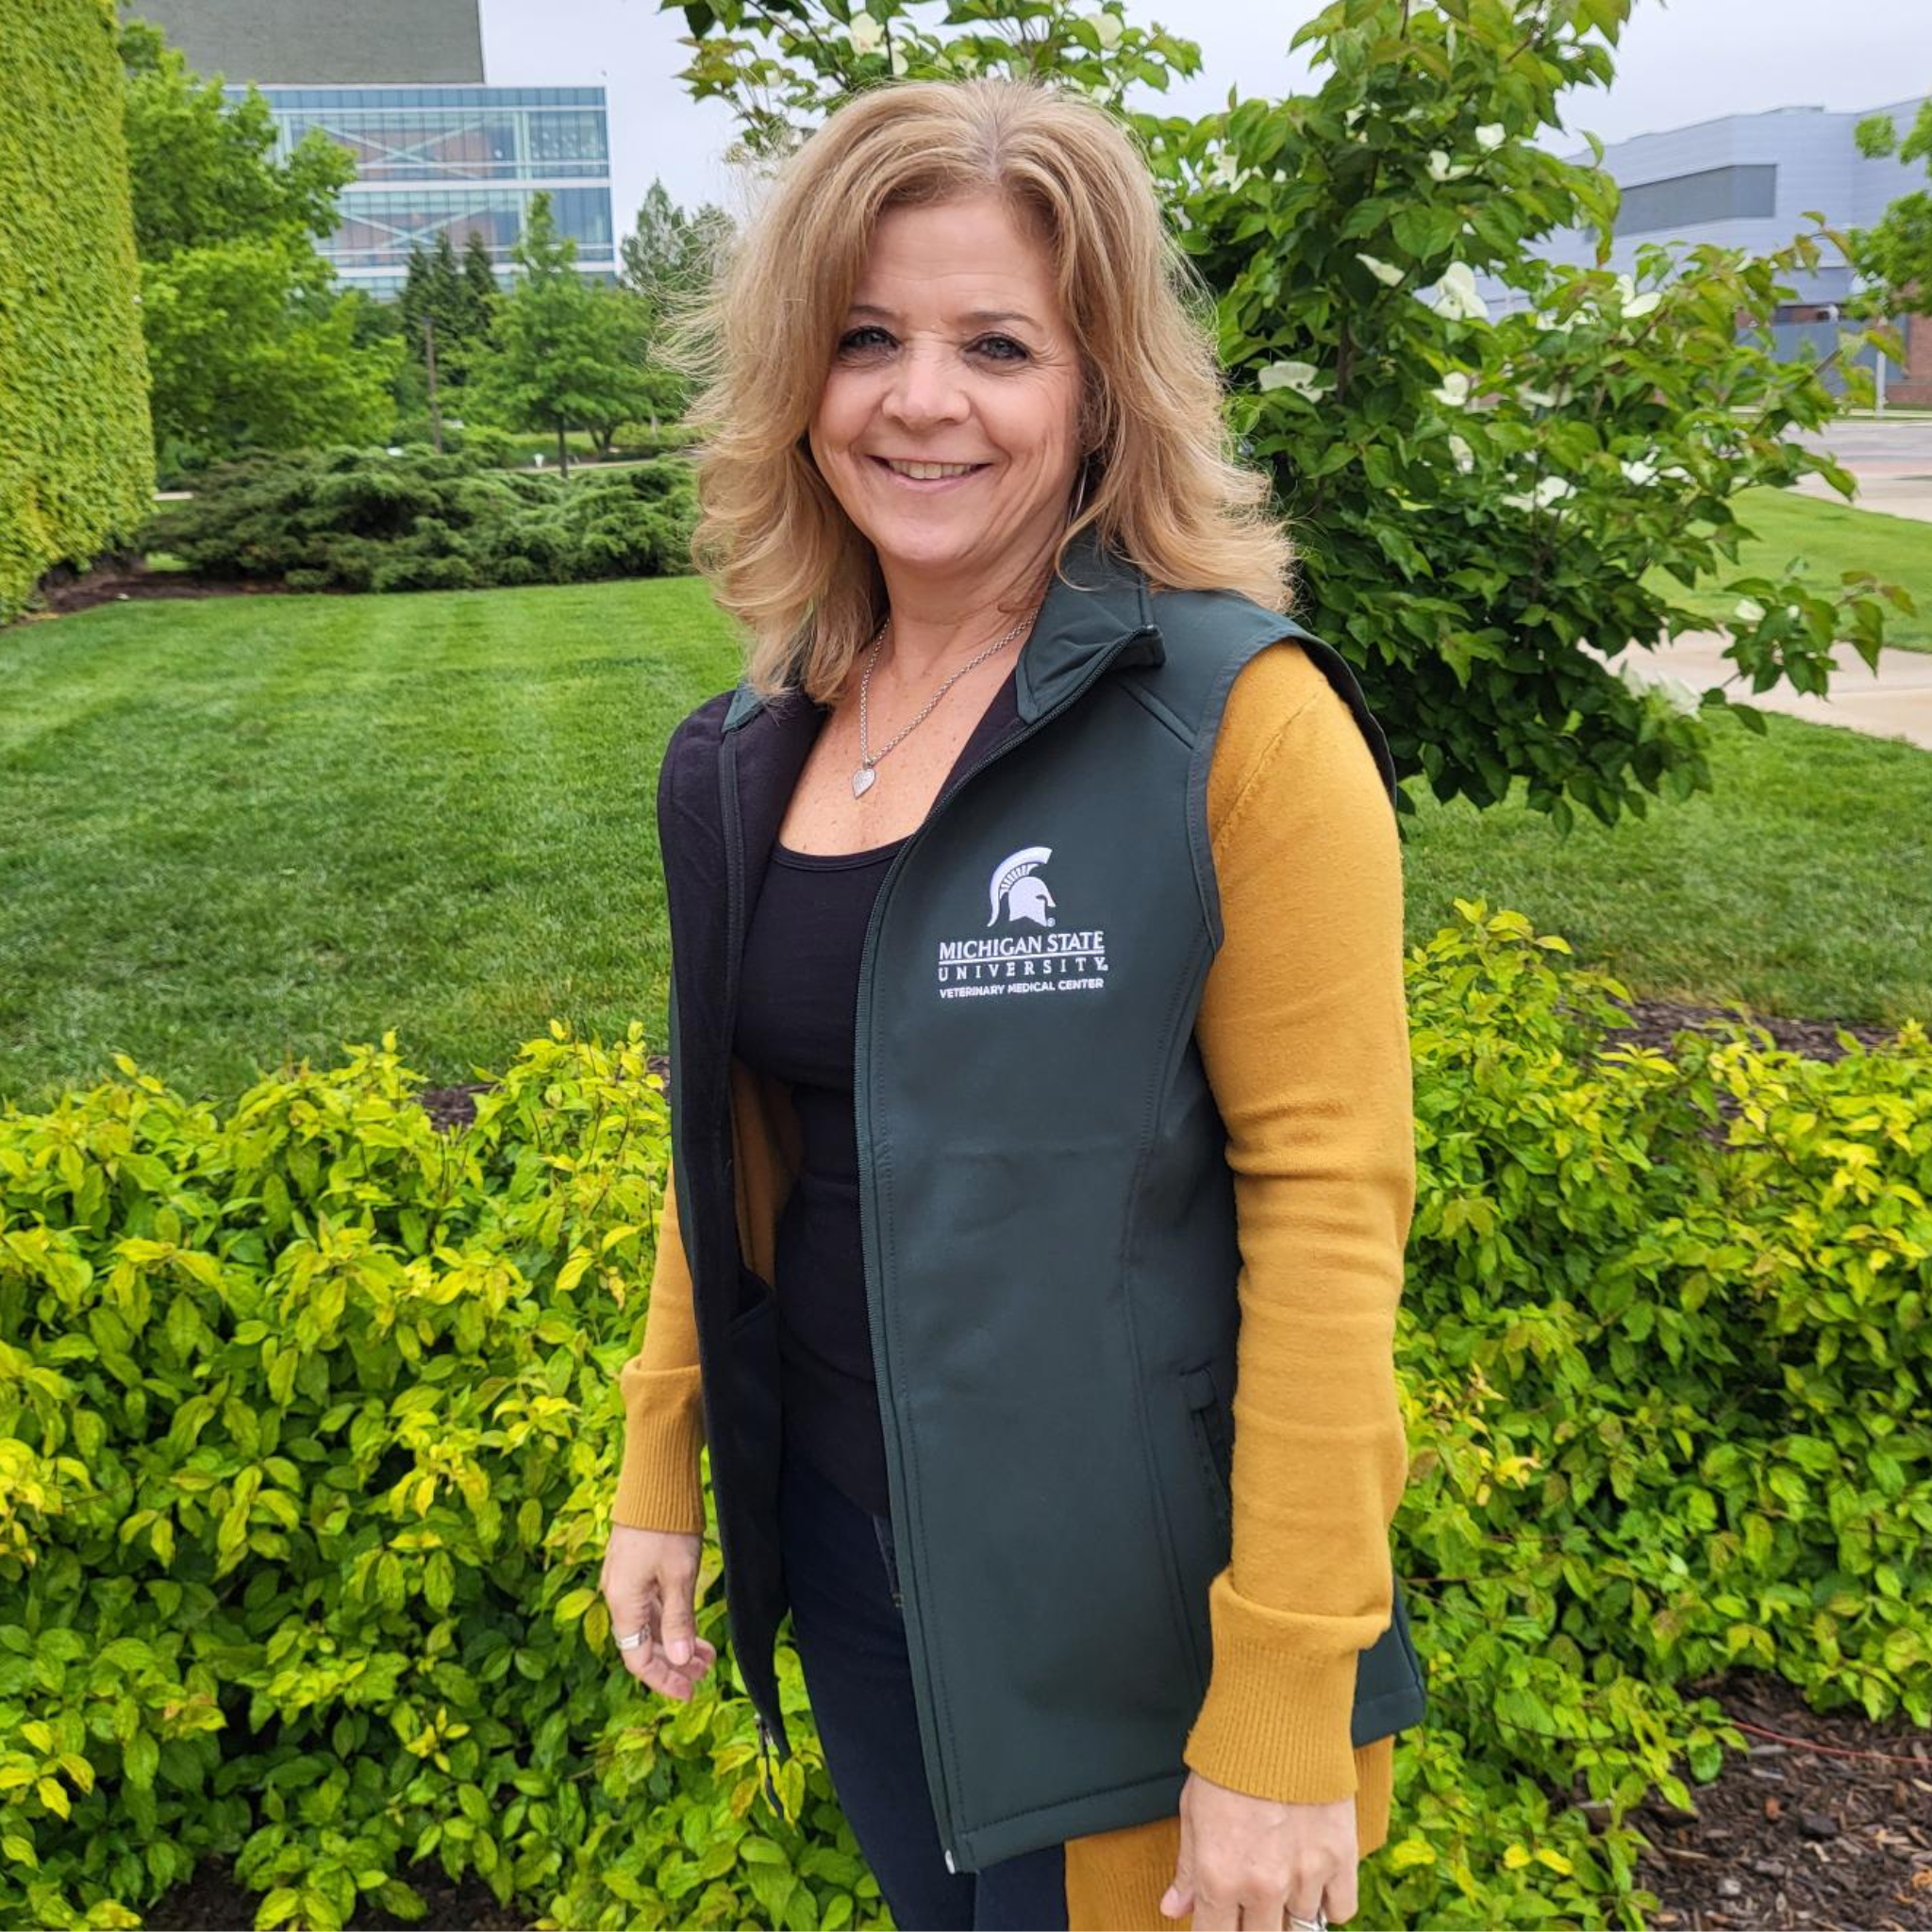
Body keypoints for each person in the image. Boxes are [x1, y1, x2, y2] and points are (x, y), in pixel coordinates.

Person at [597, 74, 1426, 1932]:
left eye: (999, 344)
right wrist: (667, 1462)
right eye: (867, 335)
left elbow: (1328, 1224)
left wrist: (1282, 1703)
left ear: (1100, 387)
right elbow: (724, 1148)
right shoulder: (742, 755)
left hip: (1137, 1644)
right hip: (856, 1572)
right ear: (796, 377)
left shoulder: (1235, 724)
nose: (922, 399)